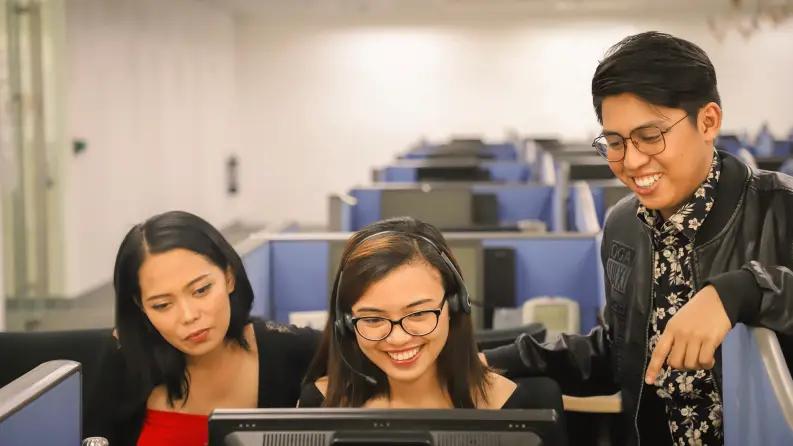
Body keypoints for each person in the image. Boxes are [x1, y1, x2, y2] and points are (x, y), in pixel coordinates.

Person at [484, 31, 793, 446]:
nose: (630, 161)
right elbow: (619, 351)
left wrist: (743, 290)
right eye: (614, 142)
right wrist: (487, 361)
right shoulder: (624, 226)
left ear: (708, 121)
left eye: (650, 137)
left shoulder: (780, 208)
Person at [85, 211, 319, 446]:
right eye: (163, 305)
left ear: (229, 277)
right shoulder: (126, 360)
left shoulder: (296, 351)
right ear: (141, 306)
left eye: (201, 290)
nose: (189, 316)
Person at [299, 217, 545, 411]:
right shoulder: (320, 404)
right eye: (373, 319)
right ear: (345, 323)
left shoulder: (516, 406)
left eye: (418, 314)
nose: (398, 338)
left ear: (455, 305)